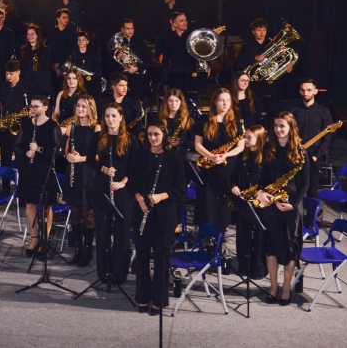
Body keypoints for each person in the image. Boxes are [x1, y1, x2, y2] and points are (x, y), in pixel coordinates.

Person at [128, 120, 186, 315]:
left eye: (157, 134)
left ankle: (159, 301)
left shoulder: (174, 158)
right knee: (142, 258)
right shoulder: (139, 156)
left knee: (162, 260)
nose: (153, 138)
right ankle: (143, 298)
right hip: (142, 212)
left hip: (164, 215)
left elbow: (180, 189)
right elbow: (131, 183)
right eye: (150, 134)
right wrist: (139, 198)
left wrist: (161, 196)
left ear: (164, 136)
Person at [256, 111, 309, 306]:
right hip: (271, 204)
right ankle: (273, 286)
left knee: (289, 247)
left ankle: (286, 288)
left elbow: (305, 184)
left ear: (291, 128)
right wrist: (261, 192)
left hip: (290, 205)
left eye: (282, 126)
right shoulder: (268, 148)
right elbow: (262, 178)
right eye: (276, 125)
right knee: (271, 245)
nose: (278, 129)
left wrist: (293, 205)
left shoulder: (301, 151)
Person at [91, 103, 139, 285]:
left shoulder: (131, 139)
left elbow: (136, 166)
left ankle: (119, 274)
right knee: (102, 231)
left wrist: (123, 182)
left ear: (121, 118)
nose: (110, 120)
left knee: (122, 232)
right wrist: (103, 168)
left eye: (113, 116)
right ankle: (104, 272)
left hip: (123, 188)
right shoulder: (98, 137)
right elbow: (90, 160)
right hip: (102, 186)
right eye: (107, 116)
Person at [15, 95, 62, 257]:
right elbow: (18, 145)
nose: (33, 109)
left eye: (36, 106)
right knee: (30, 203)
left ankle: (45, 240)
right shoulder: (26, 124)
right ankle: (34, 238)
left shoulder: (52, 126)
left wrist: (39, 149)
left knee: (46, 205)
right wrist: (25, 153)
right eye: (31, 106)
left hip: (44, 169)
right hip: (29, 169)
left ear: (45, 108)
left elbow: (57, 151)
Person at [193, 88, 246, 231]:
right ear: (215, 102)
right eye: (222, 100)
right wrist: (211, 156)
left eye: (228, 100)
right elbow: (198, 145)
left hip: (228, 168)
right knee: (208, 204)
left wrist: (225, 155)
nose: (225, 103)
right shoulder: (204, 120)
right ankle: (208, 236)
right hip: (209, 166)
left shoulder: (237, 121)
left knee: (225, 204)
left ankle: (223, 234)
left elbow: (240, 147)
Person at [63, 95, 100, 266]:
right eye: (78, 106)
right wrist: (69, 156)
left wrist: (81, 158)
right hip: (73, 172)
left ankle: (87, 251)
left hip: (89, 172)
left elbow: (99, 156)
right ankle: (77, 250)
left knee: (87, 213)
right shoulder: (72, 127)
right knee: (75, 213)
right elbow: (66, 149)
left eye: (84, 106)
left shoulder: (96, 128)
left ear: (91, 108)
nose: (80, 109)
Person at [0, 60, 33, 193]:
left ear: (18, 72)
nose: (8, 76)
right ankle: (5, 189)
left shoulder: (27, 87)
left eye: (11, 74)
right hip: (6, 128)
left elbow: (33, 106)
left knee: (21, 159)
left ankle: (22, 190)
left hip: (21, 128)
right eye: (7, 74)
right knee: (5, 159)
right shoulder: (4, 86)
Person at [230, 125, 268, 279]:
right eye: (245, 136)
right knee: (242, 234)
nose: (245, 139)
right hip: (244, 200)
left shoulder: (267, 158)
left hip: (260, 201)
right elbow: (232, 176)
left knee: (260, 235)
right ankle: (244, 266)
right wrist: (234, 186)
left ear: (259, 139)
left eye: (249, 137)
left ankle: (258, 267)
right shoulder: (242, 156)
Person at [290, 79, 333, 198]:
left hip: (314, 155)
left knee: (312, 191)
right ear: (300, 91)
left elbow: (327, 138)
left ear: (315, 91)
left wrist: (317, 156)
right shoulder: (293, 111)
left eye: (309, 90)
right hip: (296, 154)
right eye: (303, 90)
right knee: (295, 190)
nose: (305, 93)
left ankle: (311, 211)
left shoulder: (324, 112)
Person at [159, 12, 208, 94]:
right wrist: (165, 82)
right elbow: (165, 62)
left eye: (185, 20)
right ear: (174, 24)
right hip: (175, 76)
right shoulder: (168, 40)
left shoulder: (193, 37)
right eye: (181, 21)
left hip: (191, 75)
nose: (185, 22)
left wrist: (208, 66)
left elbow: (203, 53)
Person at [108, 18, 151, 98]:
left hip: (137, 80)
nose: (130, 31)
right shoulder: (117, 44)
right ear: (122, 30)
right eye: (128, 28)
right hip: (121, 78)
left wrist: (137, 68)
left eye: (132, 28)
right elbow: (109, 65)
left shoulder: (140, 43)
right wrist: (118, 58)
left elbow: (148, 62)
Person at [153, 88, 195, 158]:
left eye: (176, 101)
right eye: (170, 101)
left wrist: (182, 141)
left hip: (180, 157)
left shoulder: (187, 120)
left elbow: (195, 144)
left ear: (181, 102)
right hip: (161, 155)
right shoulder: (158, 118)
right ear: (166, 102)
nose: (173, 104)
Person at [46, 8, 78, 85]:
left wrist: (58, 63)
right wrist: (52, 64)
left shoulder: (71, 34)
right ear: (58, 19)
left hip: (66, 66)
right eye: (64, 17)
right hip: (52, 66)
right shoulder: (50, 33)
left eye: (68, 18)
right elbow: (47, 50)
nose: (67, 19)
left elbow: (70, 50)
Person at [19, 24, 52, 96]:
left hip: (41, 82)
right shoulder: (23, 50)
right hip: (26, 81)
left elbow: (47, 67)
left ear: (37, 35)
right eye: (28, 34)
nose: (30, 36)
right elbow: (21, 67)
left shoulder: (46, 50)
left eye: (32, 34)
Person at [67, 30, 103, 97]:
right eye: (79, 40)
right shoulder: (74, 55)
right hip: (78, 82)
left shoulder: (93, 54)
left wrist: (94, 78)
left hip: (90, 81)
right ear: (77, 42)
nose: (81, 42)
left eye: (83, 40)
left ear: (87, 42)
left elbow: (98, 68)